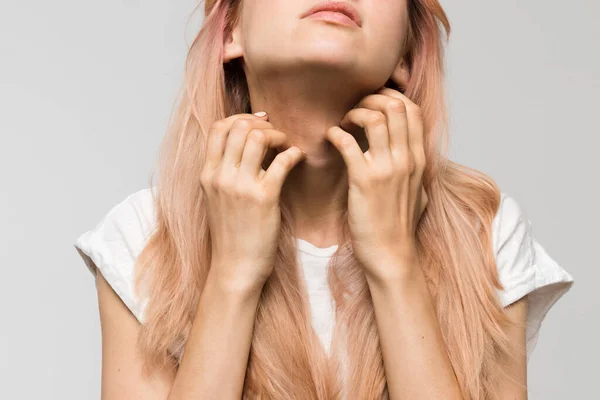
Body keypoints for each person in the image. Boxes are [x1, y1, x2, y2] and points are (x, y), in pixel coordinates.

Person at [73, 0, 574, 399]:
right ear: (230, 33)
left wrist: (394, 260)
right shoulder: (142, 237)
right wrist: (233, 273)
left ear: (404, 54)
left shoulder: (485, 231)